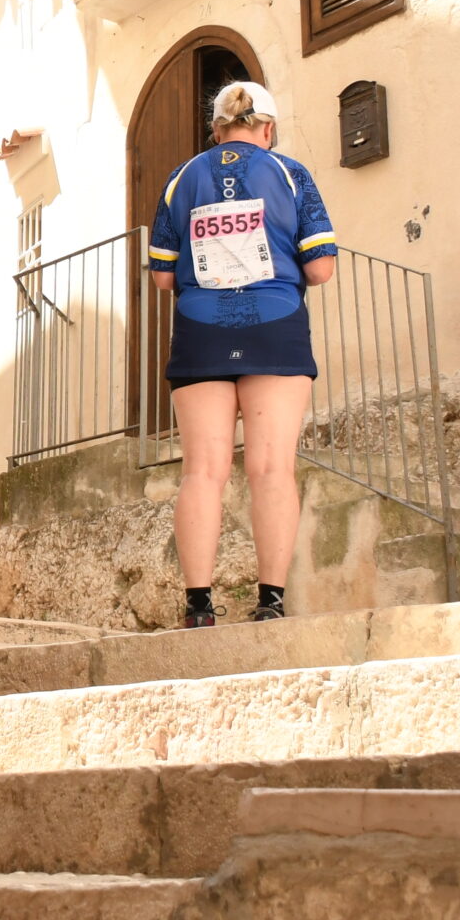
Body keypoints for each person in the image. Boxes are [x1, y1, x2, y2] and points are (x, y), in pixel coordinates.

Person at [148, 80, 338, 629]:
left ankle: (199, 607)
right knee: (271, 468)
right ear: (268, 129)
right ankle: (271, 602)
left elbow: (163, 275)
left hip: (200, 330)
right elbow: (321, 267)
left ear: (215, 129)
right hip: (273, 329)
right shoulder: (290, 173)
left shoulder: (181, 178)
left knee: (202, 473)